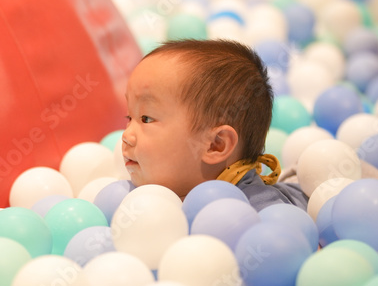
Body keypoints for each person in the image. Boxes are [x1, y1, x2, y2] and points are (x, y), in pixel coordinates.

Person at [121, 39, 309, 210]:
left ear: (215, 145)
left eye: (146, 119)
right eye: (129, 117)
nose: (126, 135)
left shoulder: (253, 212)